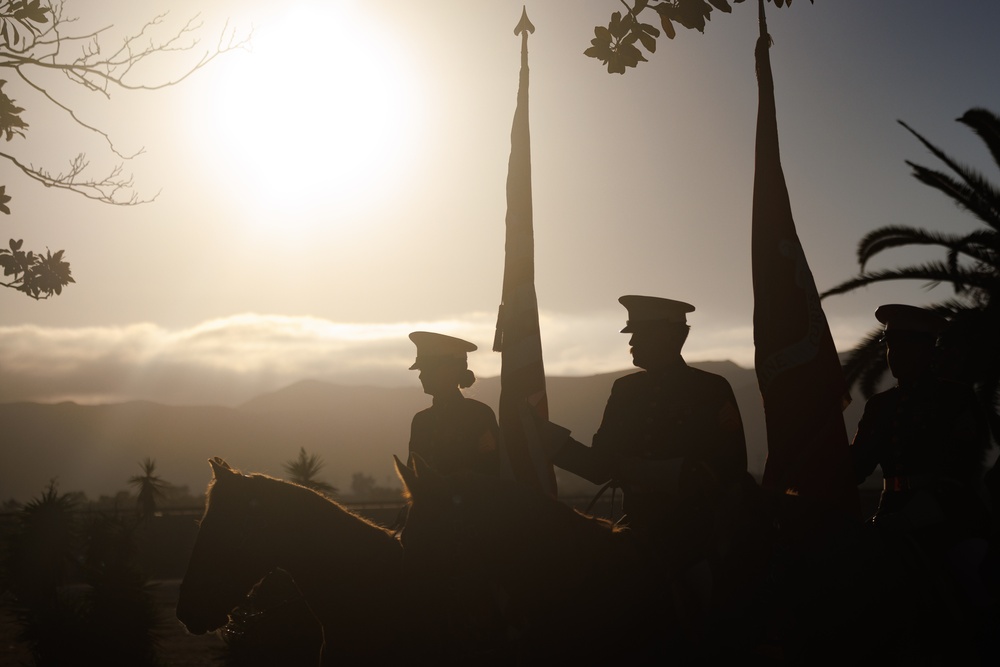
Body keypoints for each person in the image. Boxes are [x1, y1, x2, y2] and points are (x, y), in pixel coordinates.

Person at [850, 304, 996, 658]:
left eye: (905, 346)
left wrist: (920, 513)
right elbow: (855, 469)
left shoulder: (955, 398)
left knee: (975, 592)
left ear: (928, 349)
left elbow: (961, 470)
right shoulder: (880, 405)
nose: (894, 354)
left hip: (947, 522)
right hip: (889, 517)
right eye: (890, 345)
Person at [406, 331, 502, 478]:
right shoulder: (420, 421)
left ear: (451, 371)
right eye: (421, 370)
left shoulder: (479, 415)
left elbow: (493, 471)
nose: (421, 376)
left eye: (428, 369)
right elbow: (413, 476)